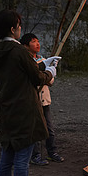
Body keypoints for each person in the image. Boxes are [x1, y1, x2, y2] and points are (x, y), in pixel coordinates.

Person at [0, 9, 60, 176]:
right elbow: (37, 78)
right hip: (25, 109)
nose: (21, 28)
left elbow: (20, 70)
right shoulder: (19, 51)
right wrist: (50, 72)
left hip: (7, 108)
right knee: (21, 160)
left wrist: (41, 64)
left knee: (6, 158)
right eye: (19, 25)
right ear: (13, 28)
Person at [20, 33, 64, 165]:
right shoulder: (26, 62)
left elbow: (50, 81)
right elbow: (35, 79)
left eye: (38, 41)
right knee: (35, 128)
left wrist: (50, 70)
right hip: (33, 100)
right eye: (34, 41)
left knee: (49, 127)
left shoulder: (43, 59)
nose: (37, 44)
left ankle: (52, 152)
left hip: (44, 100)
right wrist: (44, 73)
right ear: (26, 45)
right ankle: (36, 155)